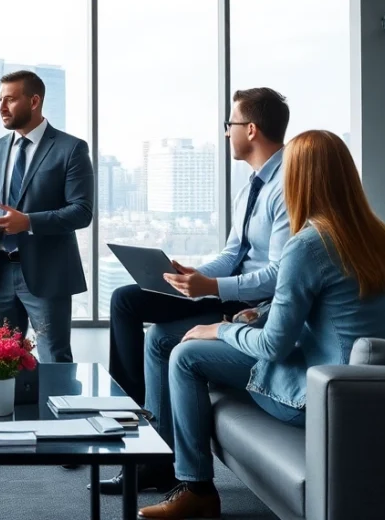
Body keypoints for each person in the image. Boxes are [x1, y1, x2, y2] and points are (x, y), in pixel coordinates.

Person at [136, 130, 385, 519]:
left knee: (185, 356)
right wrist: (259, 315)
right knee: (194, 345)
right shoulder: (383, 237)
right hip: (378, 389)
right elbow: (333, 309)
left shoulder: (309, 244)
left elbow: (273, 347)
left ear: (298, 180)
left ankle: (197, 490)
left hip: (321, 393)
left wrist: (219, 329)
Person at [100, 87, 291, 495]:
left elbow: (279, 275)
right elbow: (234, 252)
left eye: (230, 124)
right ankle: (140, 427)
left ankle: (150, 449)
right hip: (225, 291)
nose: (226, 133)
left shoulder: (287, 186)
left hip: (253, 304)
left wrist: (212, 287)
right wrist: (194, 277)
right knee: (126, 299)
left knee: (158, 336)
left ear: (251, 129)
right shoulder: (251, 186)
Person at [0, 70, 94, 363]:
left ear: (34, 101)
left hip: (47, 274)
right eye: (0, 99)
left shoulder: (71, 148)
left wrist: (29, 222)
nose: (1, 107)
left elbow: (81, 212)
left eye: (10, 99)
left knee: (54, 360)